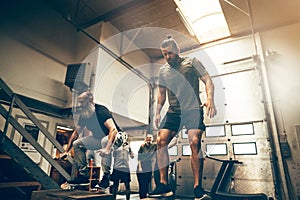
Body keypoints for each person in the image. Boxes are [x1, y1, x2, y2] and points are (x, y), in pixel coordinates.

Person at [150, 35, 217, 199]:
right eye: (164, 54)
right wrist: (157, 112)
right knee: (160, 140)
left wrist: (210, 99)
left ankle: (197, 188)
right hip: (174, 111)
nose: (167, 57)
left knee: (194, 142)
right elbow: (161, 94)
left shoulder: (192, 62)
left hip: (193, 109)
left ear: (178, 50)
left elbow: (207, 80)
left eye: (170, 53)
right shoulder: (163, 71)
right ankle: (164, 185)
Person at [61, 89, 125, 187]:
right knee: (77, 144)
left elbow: (113, 130)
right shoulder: (85, 114)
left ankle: (106, 176)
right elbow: (76, 133)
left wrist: (107, 149)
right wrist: (67, 151)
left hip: (117, 138)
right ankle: (84, 175)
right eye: (80, 102)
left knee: (105, 140)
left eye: (82, 102)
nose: (80, 105)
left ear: (90, 101)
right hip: (99, 139)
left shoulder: (101, 111)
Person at [110, 134, 134, 200]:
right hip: (117, 167)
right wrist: (117, 146)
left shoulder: (128, 146)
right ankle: (113, 198)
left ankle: (128, 199)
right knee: (115, 184)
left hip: (125, 167)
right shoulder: (116, 145)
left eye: (125, 136)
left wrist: (130, 150)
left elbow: (132, 156)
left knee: (127, 184)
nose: (124, 137)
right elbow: (114, 155)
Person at [136, 134, 157, 199]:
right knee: (142, 183)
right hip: (141, 165)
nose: (149, 139)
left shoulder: (154, 146)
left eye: (150, 137)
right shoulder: (142, 146)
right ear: (146, 139)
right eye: (147, 137)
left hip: (149, 165)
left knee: (147, 182)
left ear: (152, 139)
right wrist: (140, 167)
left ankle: (145, 197)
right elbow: (139, 158)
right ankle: (142, 197)